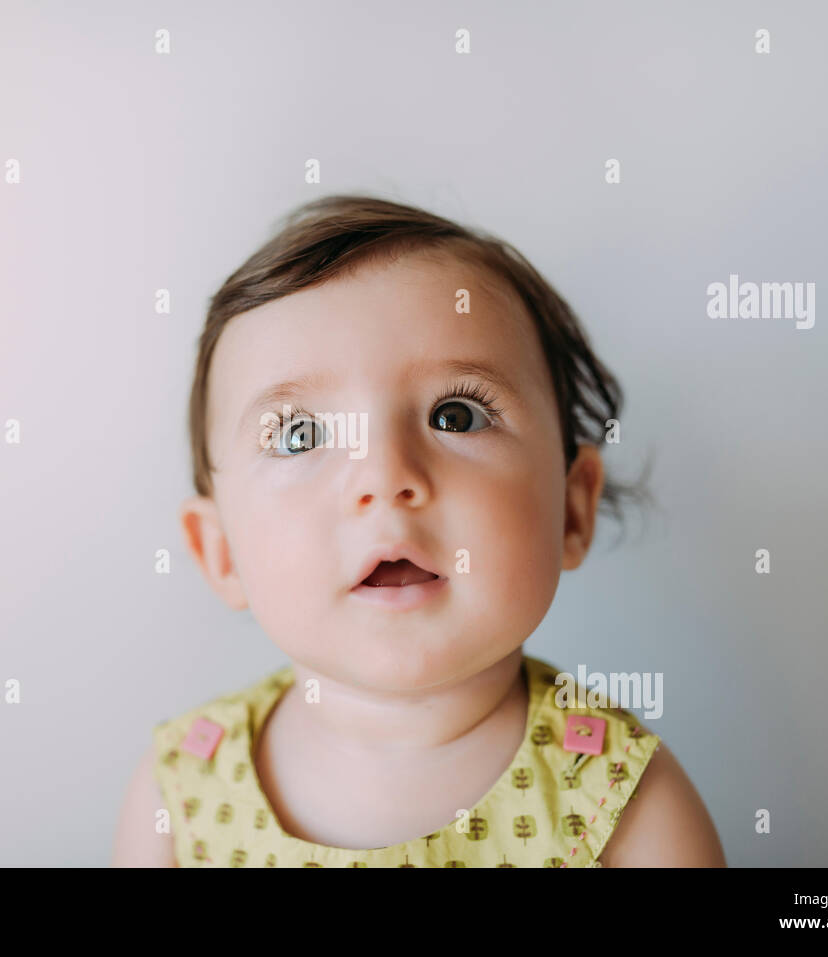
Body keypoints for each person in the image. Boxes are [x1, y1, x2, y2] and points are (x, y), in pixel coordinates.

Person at [113, 195, 725, 867]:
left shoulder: (624, 803)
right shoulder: (181, 798)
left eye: (455, 416)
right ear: (220, 550)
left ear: (572, 510)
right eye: (300, 434)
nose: (384, 475)